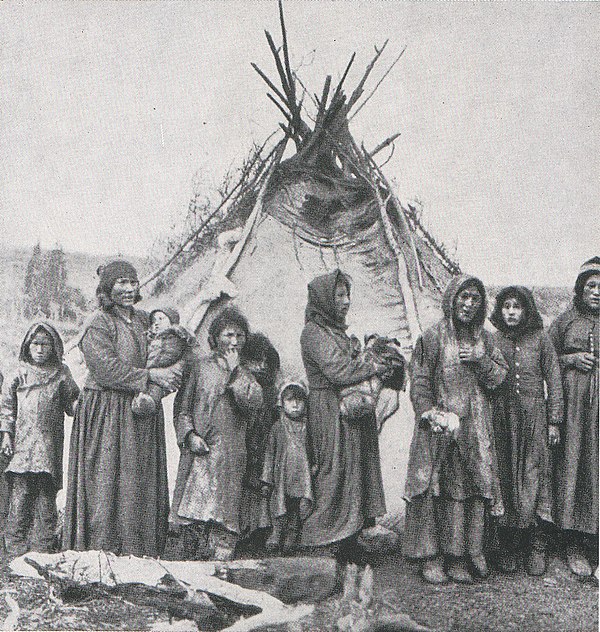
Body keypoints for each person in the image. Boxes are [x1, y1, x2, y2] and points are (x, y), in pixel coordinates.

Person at [63, 261, 181, 557]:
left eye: (132, 282)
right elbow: (106, 370)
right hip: (106, 412)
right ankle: (102, 552)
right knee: (107, 480)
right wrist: (149, 376)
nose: (129, 289)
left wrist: (157, 384)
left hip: (139, 414)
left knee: (137, 480)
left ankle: (138, 551)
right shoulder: (98, 323)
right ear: (107, 288)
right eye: (121, 283)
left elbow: (166, 353)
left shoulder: (144, 320)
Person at [403, 274, 508, 584]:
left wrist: (481, 360)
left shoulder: (485, 340)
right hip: (439, 429)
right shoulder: (432, 338)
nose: (468, 304)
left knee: (466, 491)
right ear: (452, 299)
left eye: (475, 298)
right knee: (434, 489)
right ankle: (431, 557)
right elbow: (419, 381)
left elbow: (499, 376)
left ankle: (459, 555)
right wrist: (429, 413)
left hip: (473, 432)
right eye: (463, 297)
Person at [299, 269, 388, 554]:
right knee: (333, 471)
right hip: (329, 410)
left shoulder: (336, 331)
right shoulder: (313, 332)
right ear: (324, 299)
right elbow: (339, 371)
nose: (346, 301)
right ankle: (323, 541)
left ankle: (349, 539)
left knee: (354, 471)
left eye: (347, 294)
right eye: (339, 295)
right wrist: (374, 366)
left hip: (350, 411)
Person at [170, 307, 263, 561]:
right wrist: (189, 436)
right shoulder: (199, 368)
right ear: (216, 337)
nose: (234, 342)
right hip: (199, 452)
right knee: (192, 513)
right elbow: (183, 408)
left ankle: (220, 565)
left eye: (240, 336)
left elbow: (252, 403)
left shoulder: (246, 375)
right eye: (228, 335)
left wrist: (234, 374)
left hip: (230, 455)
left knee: (224, 514)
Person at [489, 286, 563, 575]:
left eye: (516, 306)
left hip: (534, 417)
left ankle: (537, 544)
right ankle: (509, 544)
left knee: (535, 477)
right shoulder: (493, 340)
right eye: (506, 306)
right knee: (506, 477)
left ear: (527, 310)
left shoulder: (542, 340)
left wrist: (554, 421)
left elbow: (554, 380)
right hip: (503, 418)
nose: (510, 312)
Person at [0, 323, 79, 557]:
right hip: (22, 448)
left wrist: (86, 401)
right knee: (20, 496)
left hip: (48, 447)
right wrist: (6, 435)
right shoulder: (18, 373)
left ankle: (42, 548)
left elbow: (72, 405)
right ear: (27, 345)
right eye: (35, 343)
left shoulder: (62, 373)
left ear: (54, 347)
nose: (40, 349)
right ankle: (14, 547)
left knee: (46, 498)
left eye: (46, 344)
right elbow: (6, 408)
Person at [549, 256, 599, 577]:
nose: (597, 292)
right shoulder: (565, 321)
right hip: (574, 411)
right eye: (591, 286)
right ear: (580, 289)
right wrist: (570, 358)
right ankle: (572, 541)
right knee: (574, 465)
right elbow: (546, 357)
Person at [261, 379, 313, 553]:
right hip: (282, 475)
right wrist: (267, 478)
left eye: (300, 400)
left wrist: (314, 466)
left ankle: (292, 536)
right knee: (279, 504)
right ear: (282, 404)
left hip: (301, 476)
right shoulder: (277, 428)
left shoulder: (308, 428)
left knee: (297, 508)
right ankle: (276, 533)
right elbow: (269, 453)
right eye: (290, 400)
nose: (296, 405)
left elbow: (313, 449)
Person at [238, 332, 281, 548]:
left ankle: (259, 529)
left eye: (266, 361)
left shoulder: (272, 390)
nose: (262, 366)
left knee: (262, 484)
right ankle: (243, 529)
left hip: (263, 442)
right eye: (256, 361)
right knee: (244, 484)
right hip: (245, 440)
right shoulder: (243, 384)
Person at [131, 307, 195, 416]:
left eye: (161, 319)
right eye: (154, 321)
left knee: (156, 388)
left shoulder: (173, 337)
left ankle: (147, 403)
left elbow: (168, 354)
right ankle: (141, 400)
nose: (156, 323)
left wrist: (149, 366)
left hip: (163, 370)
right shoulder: (153, 338)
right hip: (154, 371)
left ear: (172, 322)